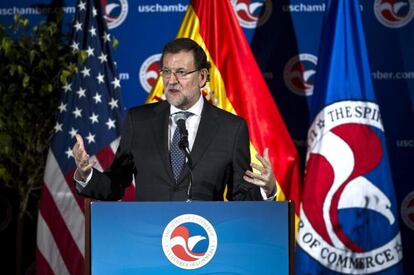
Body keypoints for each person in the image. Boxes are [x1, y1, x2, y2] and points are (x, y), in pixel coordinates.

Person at [73, 38, 277, 201]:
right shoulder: (139, 121)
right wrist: (86, 174)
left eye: (181, 73)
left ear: (202, 77)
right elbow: (116, 183)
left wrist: (266, 189)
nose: (171, 80)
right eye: (166, 72)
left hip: (203, 244)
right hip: (148, 240)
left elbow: (239, 197)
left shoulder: (231, 128)